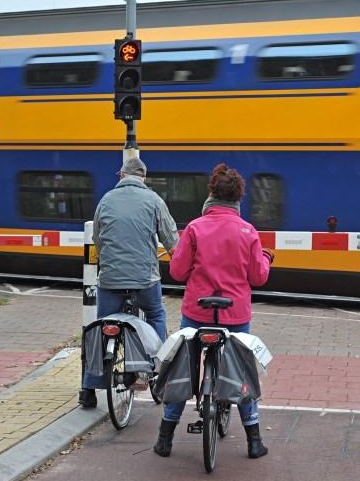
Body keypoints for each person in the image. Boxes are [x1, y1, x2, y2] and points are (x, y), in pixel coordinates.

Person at [153, 163, 274, 459]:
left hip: (197, 312)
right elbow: (258, 278)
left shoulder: (195, 228)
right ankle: (254, 441)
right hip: (235, 316)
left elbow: (179, 271)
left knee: (183, 369)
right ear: (238, 198)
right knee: (243, 370)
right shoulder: (248, 231)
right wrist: (266, 259)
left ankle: (165, 439)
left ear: (211, 194)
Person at [79, 156, 179, 408]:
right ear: (143, 178)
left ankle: (88, 389)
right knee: (155, 314)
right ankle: (159, 372)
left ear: (122, 176)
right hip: (145, 279)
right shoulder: (154, 200)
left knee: (101, 326)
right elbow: (171, 240)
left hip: (110, 279)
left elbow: (98, 237)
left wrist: (109, 260)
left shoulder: (105, 200)